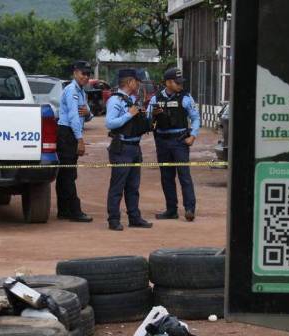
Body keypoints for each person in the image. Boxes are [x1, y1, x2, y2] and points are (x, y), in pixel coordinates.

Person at [148, 67, 201, 221]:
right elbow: (148, 121)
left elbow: (196, 118)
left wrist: (193, 136)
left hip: (179, 140)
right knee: (166, 176)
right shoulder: (155, 99)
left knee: (184, 175)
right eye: (177, 83)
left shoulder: (185, 98)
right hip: (162, 141)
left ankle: (190, 209)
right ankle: (171, 210)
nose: (180, 85)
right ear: (168, 82)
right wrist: (153, 115)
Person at [104, 68, 153, 231]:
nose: (138, 84)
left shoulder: (132, 99)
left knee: (133, 186)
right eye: (136, 81)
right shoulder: (115, 101)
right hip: (122, 148)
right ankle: (114, 219)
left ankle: (134, 217)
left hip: (134, 147)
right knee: (118, 186)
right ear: (129, 82)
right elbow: (110, 123)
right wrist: (129, 115)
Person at [56, 60, 94, 222]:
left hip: (69, 133)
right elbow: (73, 117)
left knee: (66, 174)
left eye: (88, 74)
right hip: (67, 133)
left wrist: (88, 112)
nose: (85, 77)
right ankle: (74, 211)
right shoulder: (72, 90)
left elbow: (86, 114)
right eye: (82, 73)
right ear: (75, 73)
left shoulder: (81, 91)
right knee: (68, 174)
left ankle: (64, 210)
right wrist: (79, 139)